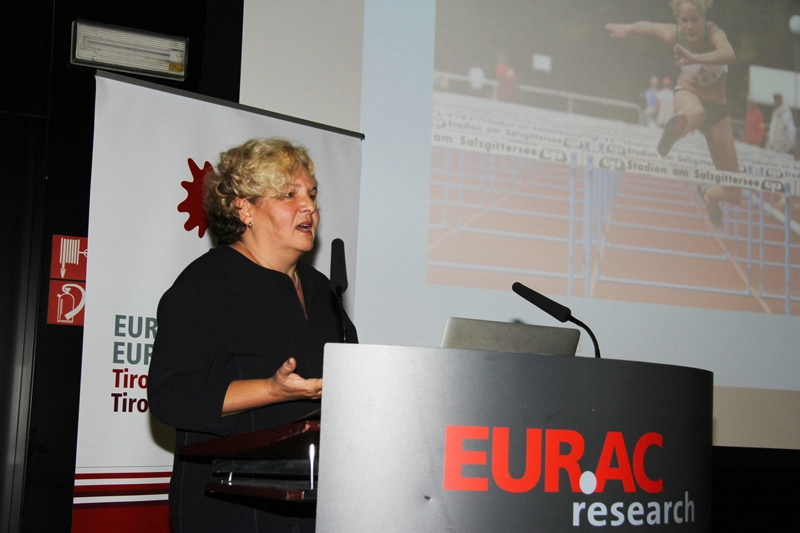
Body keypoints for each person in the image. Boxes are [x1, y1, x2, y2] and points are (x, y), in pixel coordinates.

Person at [147, 137, 358, 532]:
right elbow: (169, 396)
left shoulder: (324, 290)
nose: (309, 206)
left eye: (311, 194)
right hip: (232, 510)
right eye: (289, 194)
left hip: (316, 508)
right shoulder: (205, 284)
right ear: (244, 208)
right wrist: (270, 390)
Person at [606, 0, 741, 227]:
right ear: (678, 21)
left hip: (718, 110)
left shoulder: (714, 34)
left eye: (694, 20)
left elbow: (729, 53)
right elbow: (649, 27)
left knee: (734, 193)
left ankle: (709, 195)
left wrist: (695, 58)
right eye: (684, 20)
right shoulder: (674, 34)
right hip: (688, 94)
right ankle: (677, 130)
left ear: (703, 19)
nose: (689, 26)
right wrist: (628, 28)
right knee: (696, 113)